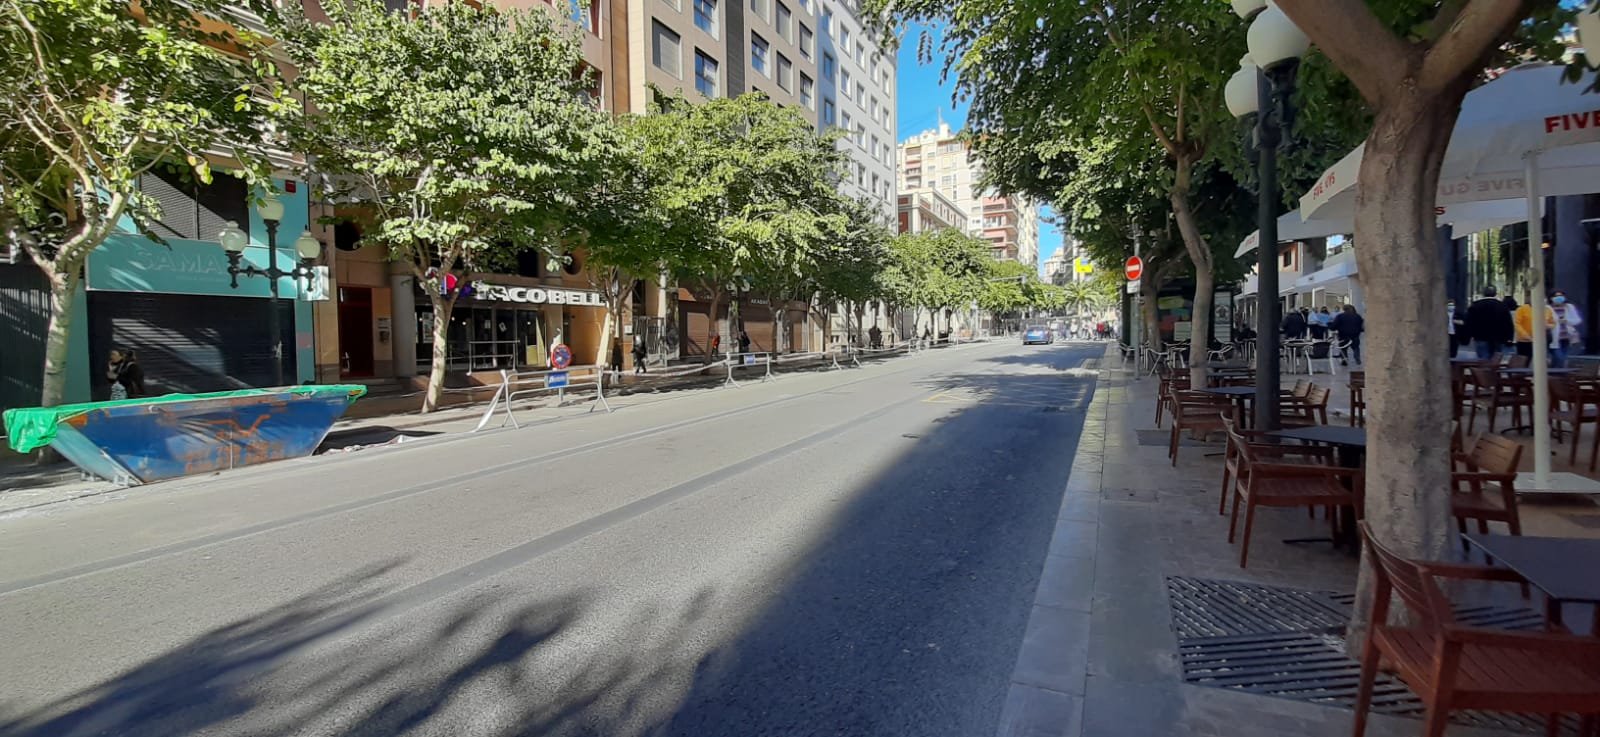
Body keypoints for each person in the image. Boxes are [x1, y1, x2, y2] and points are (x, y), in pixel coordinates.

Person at [1463, 285, 1512, 359]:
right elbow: (1508, 323)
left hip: (1480, 337)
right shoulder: (1502, 306)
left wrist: (1468, 336)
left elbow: (1468, 322)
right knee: (1495, 360)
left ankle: (1483, 370)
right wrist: (1509, 338)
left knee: (1483, 360)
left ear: (1484, 293)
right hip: (1498, 338)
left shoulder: (1475, 306)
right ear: (1495, 293)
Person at [1552, 289, 1584, 368]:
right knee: (1558, 356)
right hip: (1553, 337)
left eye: (1561, 296)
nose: (1559, 298)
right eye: (1556, 296)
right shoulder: (1548, 308)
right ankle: (1558, 371)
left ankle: (1558, 374)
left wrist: (1567, 321)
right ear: (1551, 298)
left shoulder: (1569, 307)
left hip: (1566, 336)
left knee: (1561, 357)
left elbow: (1577, 320)